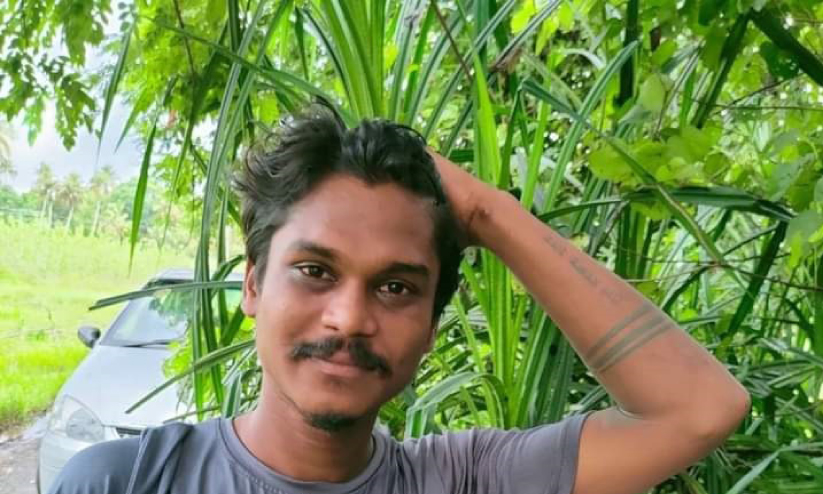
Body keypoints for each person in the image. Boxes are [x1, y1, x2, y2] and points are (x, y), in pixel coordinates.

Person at [49, 106, 750, 494]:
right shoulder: (123, 482)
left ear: (431, 325)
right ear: (254, 285)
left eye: (396, 287)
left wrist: (485, 213)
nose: (350, 319)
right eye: (315, 270)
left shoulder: (470, 483)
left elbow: (700, 410)